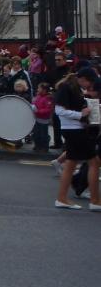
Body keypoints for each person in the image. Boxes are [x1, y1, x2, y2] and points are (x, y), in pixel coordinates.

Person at [53, 72, 101, 211]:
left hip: (74, 130)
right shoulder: (66, 88)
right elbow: (59, 110)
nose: (90, 87)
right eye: (89, 84)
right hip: (74, 130)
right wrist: (81, 115)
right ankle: (95, 201)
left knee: (71, 164)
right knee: (93, 163)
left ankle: (62, 198)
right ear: (84, 79)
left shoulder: (74, 88)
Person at [46, 53, 69, 149]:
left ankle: (67, 143)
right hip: (56, 97)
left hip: (67, 98)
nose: (57, 61)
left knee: (66, 122)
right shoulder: (53, 71)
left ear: (64, 60)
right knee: (56, 120)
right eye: (56, 60)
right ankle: (57, 142)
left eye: (59, 60)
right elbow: (49, 82)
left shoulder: (69, 71)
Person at [31, 83, 53, 153]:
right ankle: (37, 145)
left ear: (44, 90)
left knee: (43, 135)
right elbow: (34, 104)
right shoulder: (38, 96)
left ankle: (44, 147)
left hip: (44, 120)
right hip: (36, 118)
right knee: (36, 133)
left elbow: (48, 109)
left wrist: (38, 111)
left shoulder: (48, 98)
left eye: (39, 88)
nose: (38, 89)